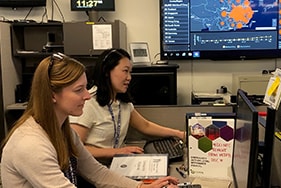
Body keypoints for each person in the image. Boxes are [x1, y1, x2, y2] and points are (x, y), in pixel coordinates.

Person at [0, 53, 179, 188]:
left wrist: (142, 187)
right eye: (79, 90)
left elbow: (97, 173)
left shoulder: (62, 130)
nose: (87, 96)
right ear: (52, 94)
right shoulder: (31, 144)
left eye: (85, 87)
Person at [69, 48, 185, 166]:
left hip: (116, 165)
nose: (129, 77)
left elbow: (145, 126)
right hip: (92, 169)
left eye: (130, 72)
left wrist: (178, 134)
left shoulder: (122, 103)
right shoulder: (88, 103)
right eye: (125, 71)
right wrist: (116, 152)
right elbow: (75, 149)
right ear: (106, 71)